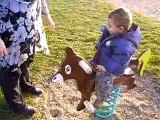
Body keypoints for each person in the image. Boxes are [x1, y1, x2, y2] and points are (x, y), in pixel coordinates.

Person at [0, 0, 55, 117]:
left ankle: (25, 85)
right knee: (10, 71)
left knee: (25, 61)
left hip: (28, 30)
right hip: (7, 36)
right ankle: (17, 105)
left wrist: (47, 14)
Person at [91, 7, 141, 120]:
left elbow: (119, 61)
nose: (107, 27)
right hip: (104, 58)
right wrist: (99, 45)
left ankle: (102, 97)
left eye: (109, 25)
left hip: (113, 68)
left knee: (103, 78)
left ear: (121, 29)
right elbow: (105, 39)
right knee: (88, 66)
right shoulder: (115, 33)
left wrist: (105, 67)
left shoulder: (125, 45)